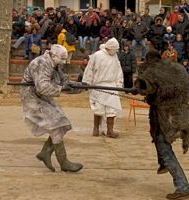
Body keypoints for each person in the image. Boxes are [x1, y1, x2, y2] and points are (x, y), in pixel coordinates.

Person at [134, 49, 189, 199]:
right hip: (182, 112)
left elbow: (148, 87)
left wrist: (139, 88)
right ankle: (164, 164)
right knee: (160, 140)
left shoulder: (152, 71)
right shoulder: (176, 68)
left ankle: (182, 186)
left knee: (163, 145)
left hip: (166, 117)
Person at [20, 44, 83, 172]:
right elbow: (43, 87)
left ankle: (45, 153)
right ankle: (63, 162)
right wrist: (61, 89)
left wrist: (79, 86)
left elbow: (63, 81)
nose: (64, 62)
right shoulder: (40, 64)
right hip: (32, 97)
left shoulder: (55, 63)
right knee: (57, 124)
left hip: (43, 96)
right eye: (62, 59)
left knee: (63, 124)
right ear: (53, 55)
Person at [82, 38, 123, 138]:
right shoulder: (97, 55)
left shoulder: (115, 57)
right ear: (109, 48)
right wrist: (87, 81)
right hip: (98, 85)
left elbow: (118, 71)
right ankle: (96, 129)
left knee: (112, 109)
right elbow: (90, 69)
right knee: (98, 109)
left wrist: (119, 85)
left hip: (112, 86)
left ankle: (110, 130)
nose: (116, 51)